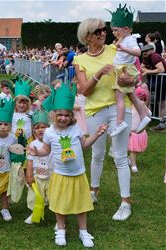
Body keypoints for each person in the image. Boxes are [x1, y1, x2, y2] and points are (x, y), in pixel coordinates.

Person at [29, 83, 108, 247]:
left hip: (78, 173)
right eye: (59, 115)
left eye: (66, 115)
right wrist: (38, 153)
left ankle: (83, 231)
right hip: (60, 173)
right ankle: (60, 229)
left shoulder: (76, 128)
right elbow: (46, 149)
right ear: (53, 114)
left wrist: (97, 135)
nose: (63, 118)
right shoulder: (50, 132)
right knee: (60, 204)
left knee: (81, 204)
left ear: (71, 115)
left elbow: (84, 144)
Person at [74, 18, 137, 221]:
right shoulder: (80, 60)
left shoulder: (115, 49)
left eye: (104, 29)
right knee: (97, 153)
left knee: (119, 155)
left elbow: (136, 73)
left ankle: (125, 202)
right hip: (95, 109)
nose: (103, 33)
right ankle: (93, 191)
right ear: (87, 37)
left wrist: (133, 79)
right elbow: (84, 90)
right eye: (98, 31)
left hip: (119, 107)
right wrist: (99, 74)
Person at [109, 4, 151, 137]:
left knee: (119, 97)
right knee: (131, 94)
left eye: (116, 30)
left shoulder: (129, 40)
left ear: (126, 29)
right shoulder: (125, 39)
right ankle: (144, 114)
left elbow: (138, 52)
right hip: (123, 69)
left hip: (124, 71)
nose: (114, 33)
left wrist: (123, 48)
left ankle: (120, 122)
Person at [25, 110, 53, 224]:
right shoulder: (32, 144)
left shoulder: (53, 142)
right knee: (35, 195)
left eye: (43, 127)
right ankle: (35, 212)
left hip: (52, 175)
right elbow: (30, 161)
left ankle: (59, 217)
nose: (40, 129)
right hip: (37, 176)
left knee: (53, 196)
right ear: (33, 131)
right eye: (37, 128)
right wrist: (29, 175)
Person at [141, 44, 166, 131]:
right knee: (158, 101)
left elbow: (161, 69)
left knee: (161, 102)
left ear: (151, 50)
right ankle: (146, 118)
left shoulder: (155, 56)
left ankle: (161, 124)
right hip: (156, 81)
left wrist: (147, 71)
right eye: (143, 52)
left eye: (146, 51)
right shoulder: (147, 57)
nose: (144, 53)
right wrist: (148, 71)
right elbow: (141, 68)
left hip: (162, 81)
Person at [128, 86, 151, 173]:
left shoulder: (143, 107)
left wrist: (144, 107)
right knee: (133, 150)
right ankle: (133, 165)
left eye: (143, 98)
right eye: (139, 98)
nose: (141, 100)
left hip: (141, 133)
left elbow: (149, 114)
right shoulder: (130, 107)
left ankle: (130, 158)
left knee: (139, 150)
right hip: (132, 133)